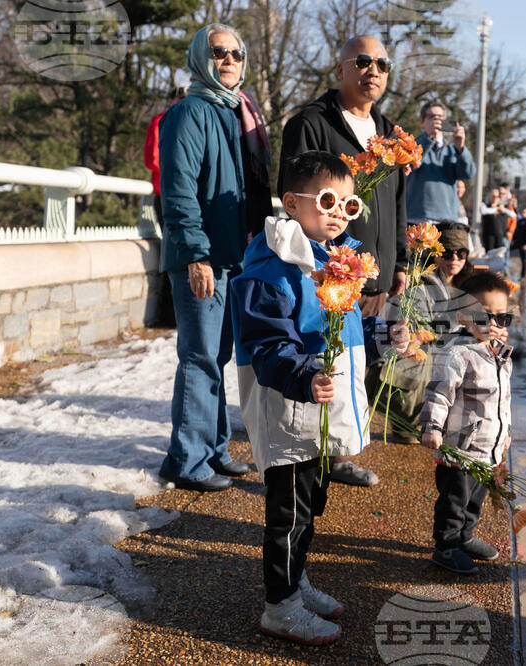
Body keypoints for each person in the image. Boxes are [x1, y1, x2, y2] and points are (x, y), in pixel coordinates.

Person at [232, 151, 407, 645]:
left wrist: (381, 334)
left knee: (312, 504)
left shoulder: (337, 262)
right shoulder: (271, 268)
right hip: (291, 407)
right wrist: (303, 375)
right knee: (288, 513)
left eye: (349, 205)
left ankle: (297, 580)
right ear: (291, 203)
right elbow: (266, 343)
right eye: (327, 200)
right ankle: (280, 606)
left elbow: (346, 325)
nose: (338, 212)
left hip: (322, 408)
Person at [279, 34, 407, 487]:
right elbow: (290, 195)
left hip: (375, 271)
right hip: (330, 269)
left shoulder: (391, 134)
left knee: (360, 362)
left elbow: (397, 203)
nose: (374, 70)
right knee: (323, 358)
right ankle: (313, 458)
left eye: (383, 64)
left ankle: (342, 448)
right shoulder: (311, 123)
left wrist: (401, 262)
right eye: (363, 61)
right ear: (341, 69)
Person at [157, 23, 273, 492]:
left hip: (234, 253)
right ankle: (185, 461)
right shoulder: (189, 112)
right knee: (201, 357)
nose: (228, 60)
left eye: (236, 54)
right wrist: (196, 255)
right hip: (201, 256)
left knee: (219, 356)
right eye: (218, 52)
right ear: (200, 58)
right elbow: (178, 191)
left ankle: (215, 448)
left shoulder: (238, 112)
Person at [420, 270, 513, 574]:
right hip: (458, 447)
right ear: (464, 316)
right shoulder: (457, 354)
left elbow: (503, 400)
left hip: (488, 448)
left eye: (503, 318)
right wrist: (432, 428)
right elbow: (439, 394)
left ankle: (465, 536)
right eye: (486, 317)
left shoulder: (500, 355)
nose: (495, 325)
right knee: (454, 500)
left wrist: (506, 432)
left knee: (476, 498)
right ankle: (446, 546)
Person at [368, 223, 475, 443]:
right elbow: (417, 335)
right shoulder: (419, 285)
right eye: (447, 253)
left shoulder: (470, 285)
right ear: (435, 254)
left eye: (461, 253)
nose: (454, 259)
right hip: (416, 359)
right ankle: (412, 422)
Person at [144, 86, 187, 328]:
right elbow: (152, 159)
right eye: (178, 96)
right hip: (166, 193)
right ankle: (166, 316)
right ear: (170, 100)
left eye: (185, 97)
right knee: (171, 251)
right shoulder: (160, 120)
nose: (181, 100)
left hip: (186, 196)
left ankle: (175, 315)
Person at [405, 101, 475, 225]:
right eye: (432, 117)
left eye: (440, 117)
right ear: (422, 122)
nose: (437, 120)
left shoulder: (453, 150)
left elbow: (468, 173)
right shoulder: (412, 145)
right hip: (416, 218)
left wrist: (461, 147)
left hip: (447, 219)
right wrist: (428, 138)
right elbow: (409, 165)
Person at [511, 208, 526, 280]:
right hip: (518, 242)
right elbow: (516, 232)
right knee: (507, 250)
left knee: (524, 260)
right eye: (523, 212)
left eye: (525, 212)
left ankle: (523, 276)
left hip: (524, 244)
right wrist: (513, 240)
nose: (523, 213)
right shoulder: (520, 221)